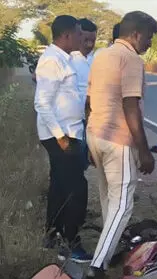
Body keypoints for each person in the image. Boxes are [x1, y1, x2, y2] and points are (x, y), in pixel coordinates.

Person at [85, 11, 157, 279]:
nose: (150, 43)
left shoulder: (101, 55)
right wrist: (144, 150)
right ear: (136, 34)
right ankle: (96, 268)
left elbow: (89, 100)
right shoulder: (131, 59)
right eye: (149, 37)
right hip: (119, 141)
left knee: (108, 200)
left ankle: (109, 249)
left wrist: (91, 139)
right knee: (121, 205)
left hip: (96, 134)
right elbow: (131, 106)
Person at [34, 15, 90, 261]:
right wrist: (60, 137)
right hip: (61, 136)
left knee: (60, 186)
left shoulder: (65, 59)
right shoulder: (51, 61)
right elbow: (42, 103)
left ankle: (52, 234)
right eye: (78, 34)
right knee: (76, 190)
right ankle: (70, 242)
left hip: (70, 132)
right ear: (66, 35)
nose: (81, 38)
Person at [71, 18, 98, 171]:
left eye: (92, 40)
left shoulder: (97, 60)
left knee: (89, 157)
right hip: (73, 119)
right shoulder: (68, 59)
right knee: (75, 159)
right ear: (78, 36)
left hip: (92, 118)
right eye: (86, 40)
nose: (89, 44)